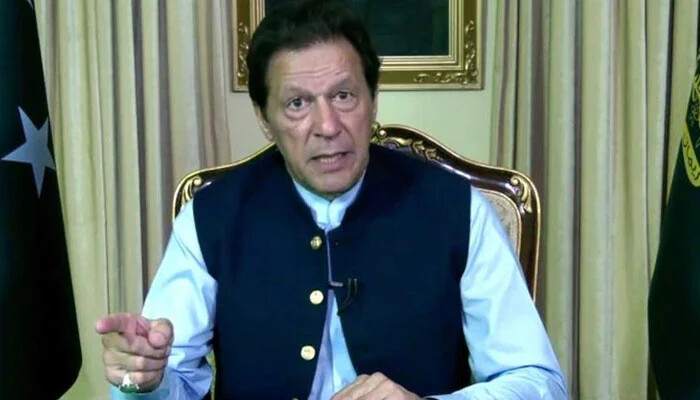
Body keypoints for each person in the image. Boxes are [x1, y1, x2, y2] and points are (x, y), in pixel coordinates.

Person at [96, 0, 567, 399]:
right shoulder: (212, 217)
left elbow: (539, 382)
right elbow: (170, 382)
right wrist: (145, 381)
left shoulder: (456, 209)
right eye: (297, 104)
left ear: (373, 99)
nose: (327, 126)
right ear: (264, 118)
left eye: (343, 95)